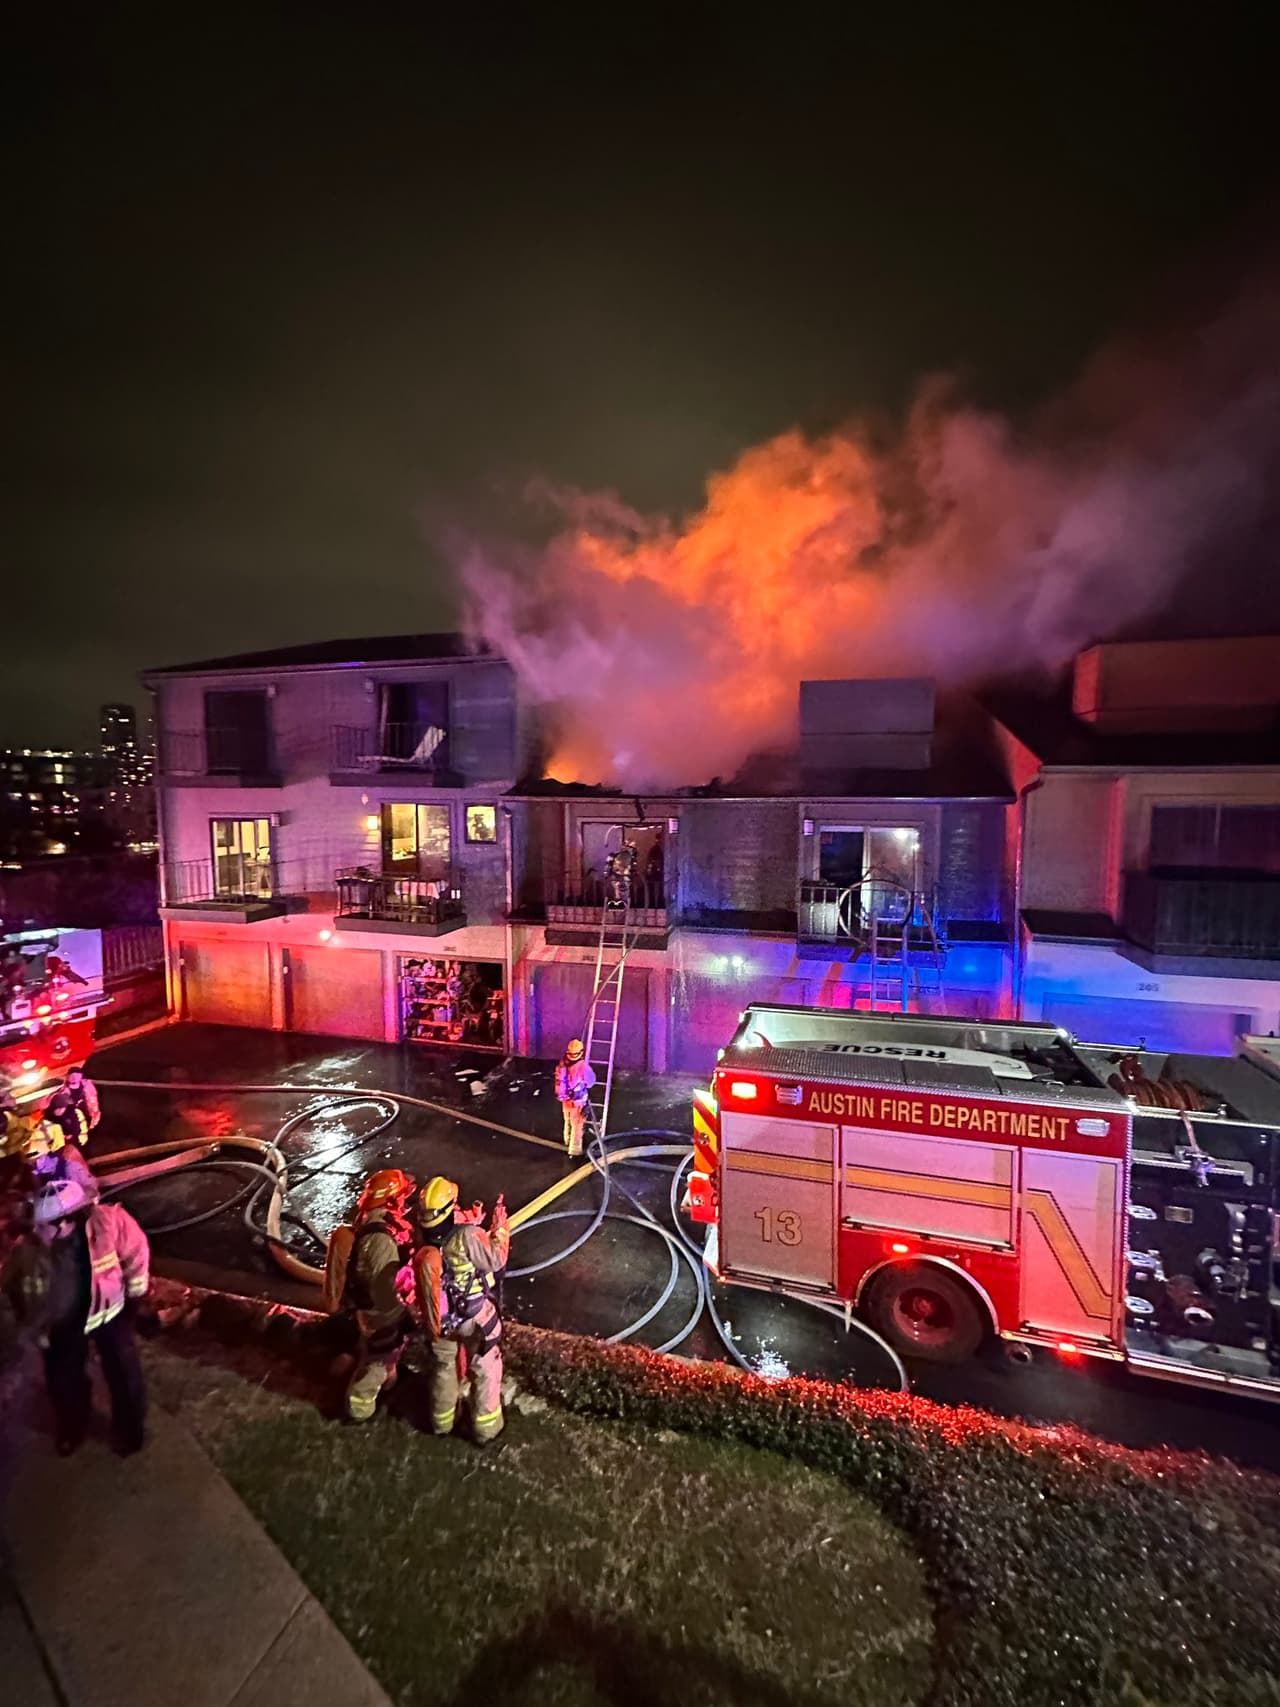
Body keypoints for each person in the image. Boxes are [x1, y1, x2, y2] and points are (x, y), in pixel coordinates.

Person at [0, 1175, 150, 1455]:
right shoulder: (28, 1249)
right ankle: (72, 1429)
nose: (37, 1231)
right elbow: (12, 1285)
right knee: (64, 1381)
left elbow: (136, 1252)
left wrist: (135, 1294)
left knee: (124, 1374)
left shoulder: (108, 1224)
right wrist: (33, 1325)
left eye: (43, 1225)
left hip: (109, 1314)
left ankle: (130, 1431)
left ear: (64, 1222)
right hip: (60, 1326)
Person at [413, 1182, 509, 1443]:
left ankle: (442, 1422)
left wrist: (470, 1220)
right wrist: (500, 1228)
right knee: (485, 1367)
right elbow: (495, 1259)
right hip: (474, 1319)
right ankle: (486, 1427)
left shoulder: (421, 1235)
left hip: (440, 1319)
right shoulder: (467, 1236)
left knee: (444, 1366)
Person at [340, 1168, 417, 1424]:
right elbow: (383, 1286)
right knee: (378, 1361)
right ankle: (359, 1406)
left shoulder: (376, 1222)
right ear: (392, 1199)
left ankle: (387, 1380)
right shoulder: (381, 1239)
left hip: (373, 1310)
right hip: (382, 1314)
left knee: (382, 1356)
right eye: (402, 1197)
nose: (405, 1201)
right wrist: (404, 1313)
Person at [555, 1039, 596, 1160]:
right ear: (581, 1052)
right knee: (577, 1126)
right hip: (577, 1102)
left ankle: (566, 1141)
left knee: (567, 1121)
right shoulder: (583, 1066)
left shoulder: (562, 1064)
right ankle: (574, 1150)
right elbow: (590, 1082)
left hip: (565, 1100)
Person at [60, 1065, 101, 1132]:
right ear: (67, 1077)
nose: (74, 1077)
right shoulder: (63, 1090)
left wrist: (94, 1119)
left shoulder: (87, 1087)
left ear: (81, 1076)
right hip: (71, 1120)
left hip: (86, 1117)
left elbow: (94, 1103)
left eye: (77, 1075)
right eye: (72, 1075)